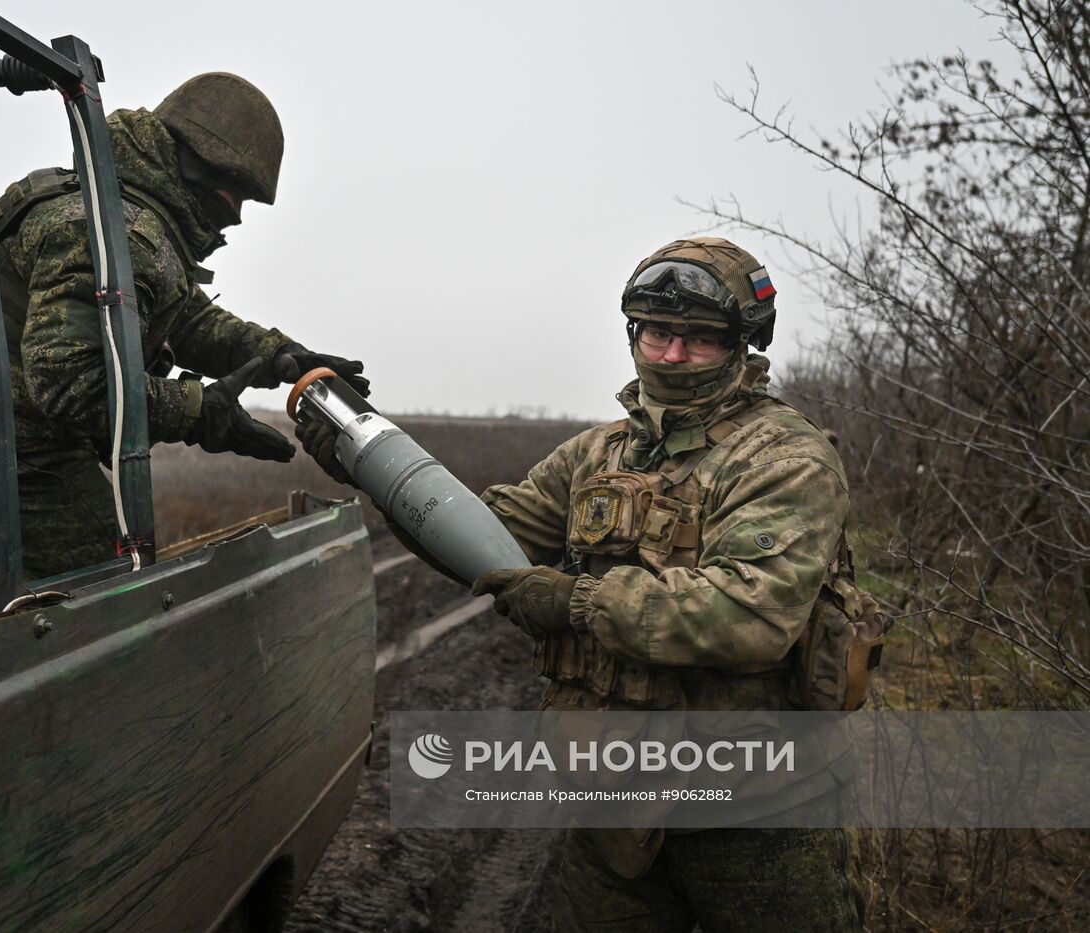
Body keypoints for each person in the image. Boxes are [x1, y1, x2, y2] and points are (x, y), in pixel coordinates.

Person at [301, 236, 863, 931]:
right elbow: (484, 534)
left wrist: (578, 600)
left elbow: (751, 612)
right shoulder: (599, 453)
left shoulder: (784, 458)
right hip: (617, 807)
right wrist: (372, 464)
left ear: (742, 343)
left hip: (758, 813)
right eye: (657, 332)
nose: (671, 355)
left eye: (698, 338)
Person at [0, 73, 367, 655]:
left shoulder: (114, 211)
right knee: (113, 605)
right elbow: (72, 383)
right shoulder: (111, 228)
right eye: (236, 197)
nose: (238, 218)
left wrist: (277, 354)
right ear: (201, 172)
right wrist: (200, 411)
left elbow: (183, 315)